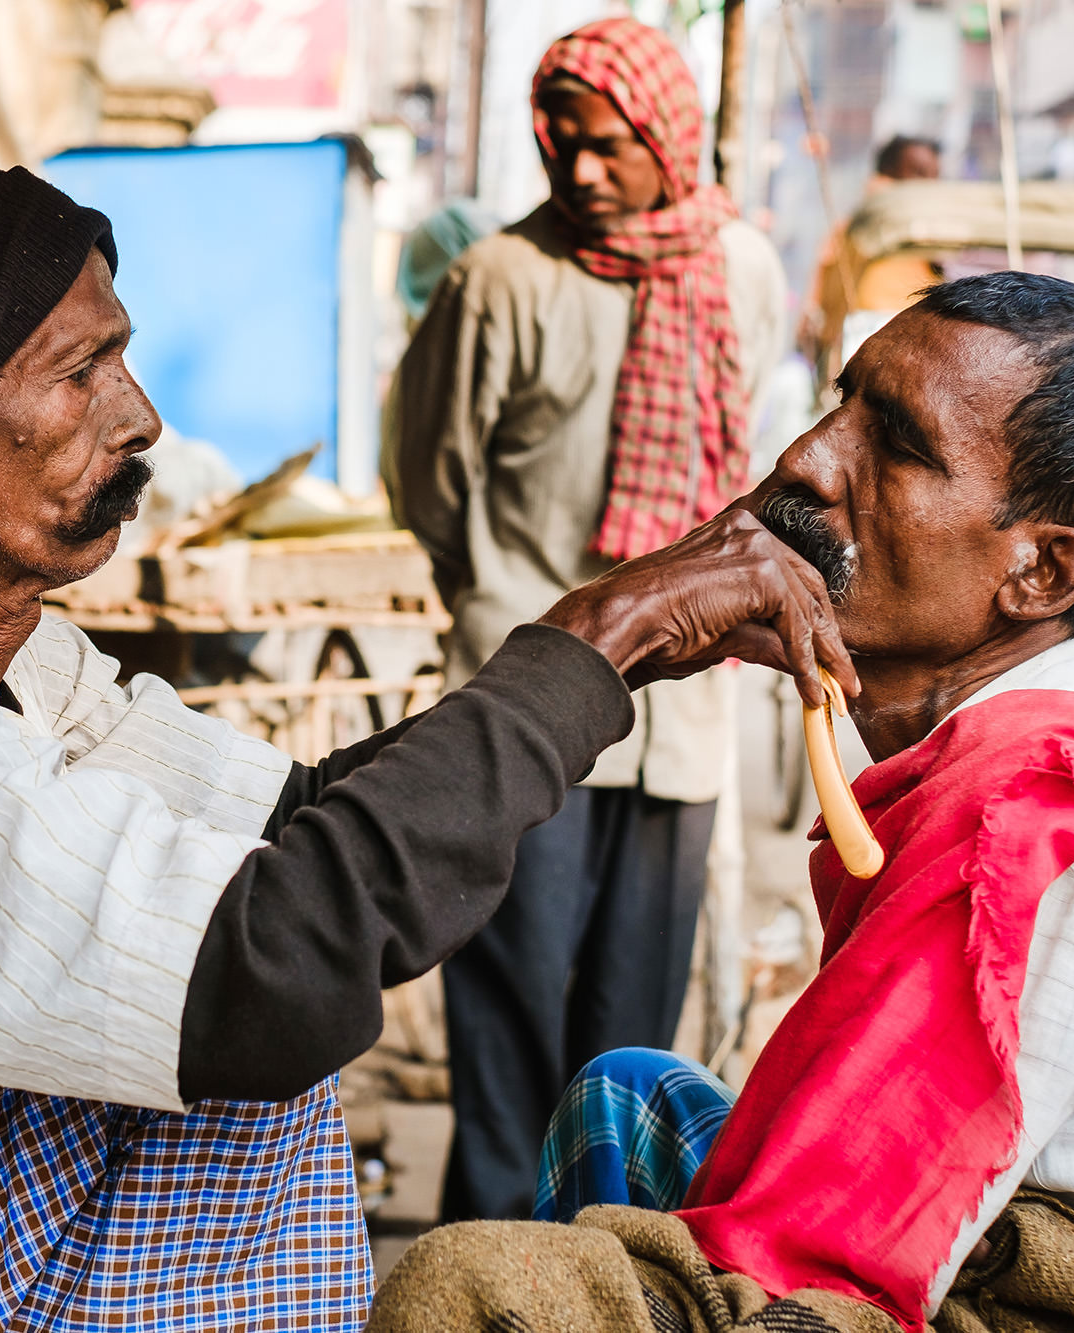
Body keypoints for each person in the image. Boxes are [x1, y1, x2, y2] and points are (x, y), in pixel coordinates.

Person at [0, 135, 855, 1333]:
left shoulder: (16, 665)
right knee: (242, 1012)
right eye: (82, 375)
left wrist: (623, 650)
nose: (140, 417)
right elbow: (274, 960)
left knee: (256, 945)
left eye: (121, 356)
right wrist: (590, 645)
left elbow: (298, 817)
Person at [373, 272, 1074, 1333]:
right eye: (839, 402)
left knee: (472, 1287)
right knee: (625, 1095)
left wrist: (605, 627)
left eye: (891, 443)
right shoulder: (1002, 760)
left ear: (1040, 572)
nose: (805, 456)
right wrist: (627, 629)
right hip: (1031, 1254)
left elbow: (800, 1261)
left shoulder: (1021, 825)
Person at [384, 17, 789, 1223]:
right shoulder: (500, 280)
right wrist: (516, 611)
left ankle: (610, 1268)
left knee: (630, 1036)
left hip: (682, 717)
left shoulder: (744, 274)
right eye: (555, 143)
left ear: (666, 140)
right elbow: (430, 482)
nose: (579, 168)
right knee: (506, 1024)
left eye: (605, 144)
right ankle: (488, 1272)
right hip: (527, 705)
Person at [800, 133, 943, 378]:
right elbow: (820, 299)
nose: (928, 185)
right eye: (919, 173)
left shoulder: (933, 234)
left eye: (933, 176)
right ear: (887, 174)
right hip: (862, 354)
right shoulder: (856, 230)